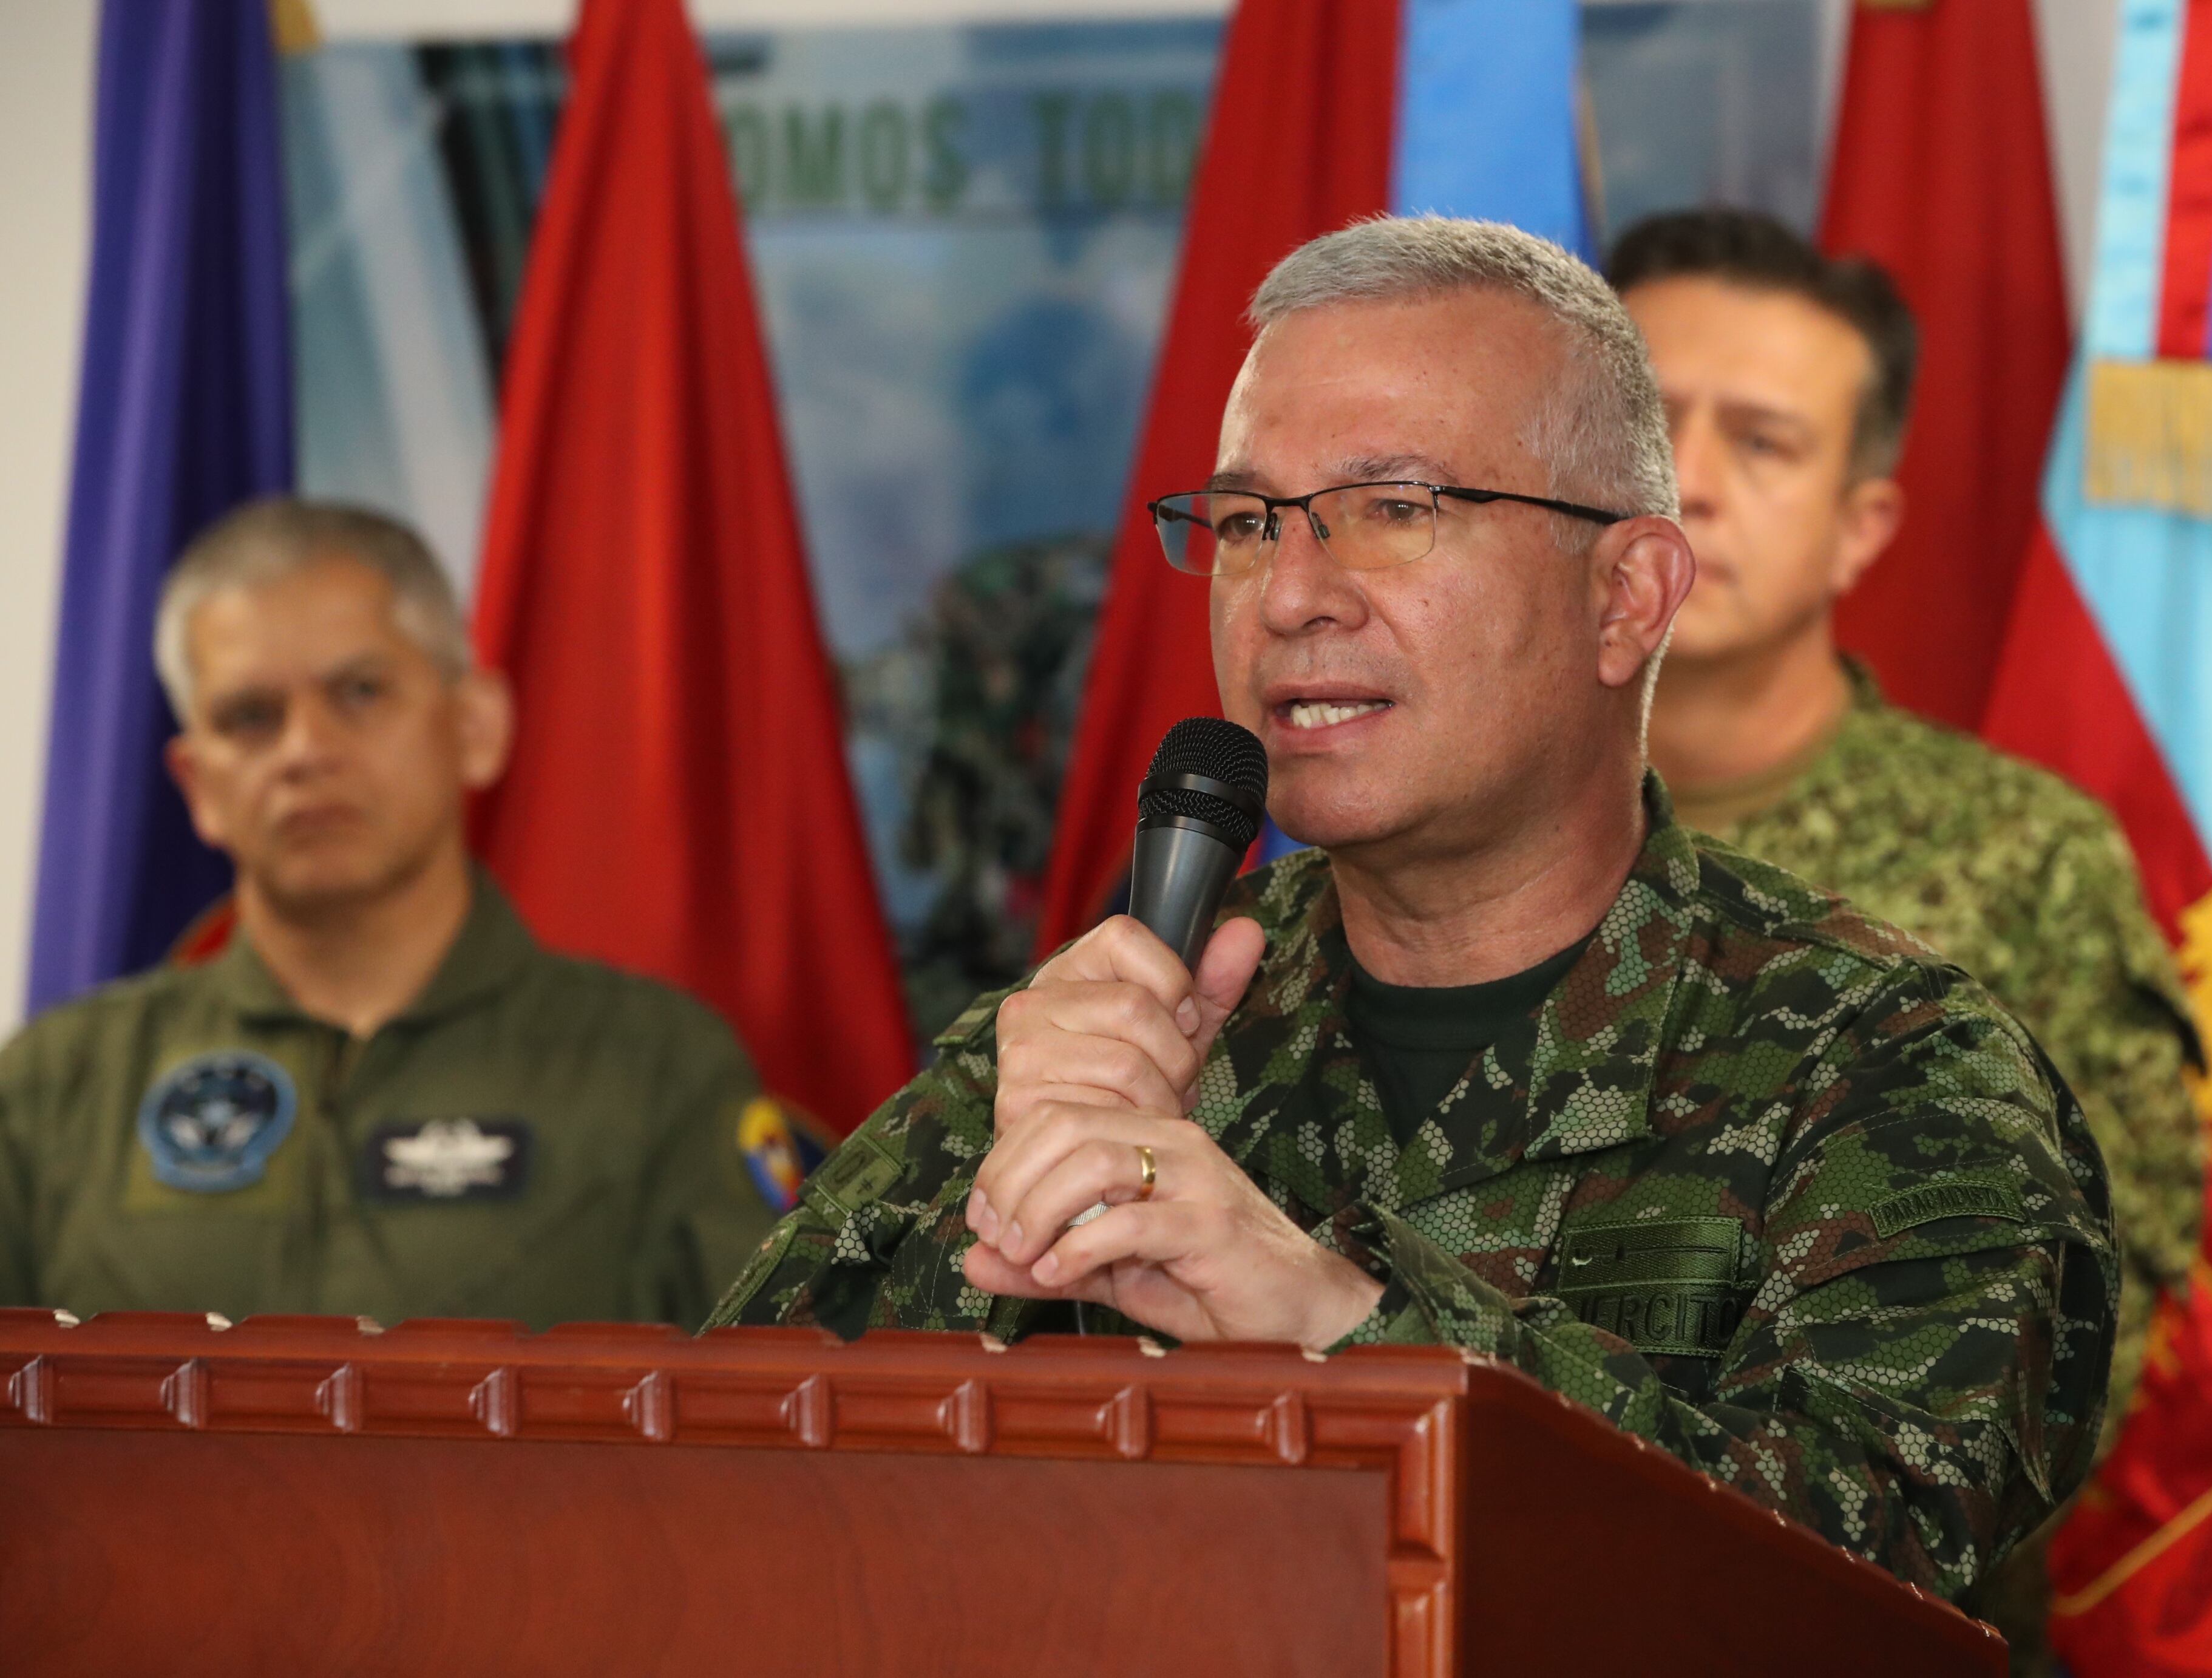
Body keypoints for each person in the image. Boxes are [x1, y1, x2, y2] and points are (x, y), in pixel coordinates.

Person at [711, 217, 2119, 1602]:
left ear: (1628, 595)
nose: (1291, 596)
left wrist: (1348, 1330)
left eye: (1394, 509)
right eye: (1253, 521)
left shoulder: (1888, 1069)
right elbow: (716, 1492)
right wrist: (997, 1186)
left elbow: (1845, 1588)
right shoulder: (1109, 1029)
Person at [1606, 207, 2202, 1659]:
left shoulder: (2019, 858)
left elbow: (2074, 1352)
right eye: (1641, 423)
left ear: (1862, 520)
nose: (1689, 480)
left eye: (1763, 440)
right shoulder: (1436, 831)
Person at [0, 499, 783, 1329]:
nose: (305, 750)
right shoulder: (62, 1087)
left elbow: (764, 1431)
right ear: (198, 786)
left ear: (475, 726)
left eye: (360, 692)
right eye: (251, 717)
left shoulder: (654, 1072)